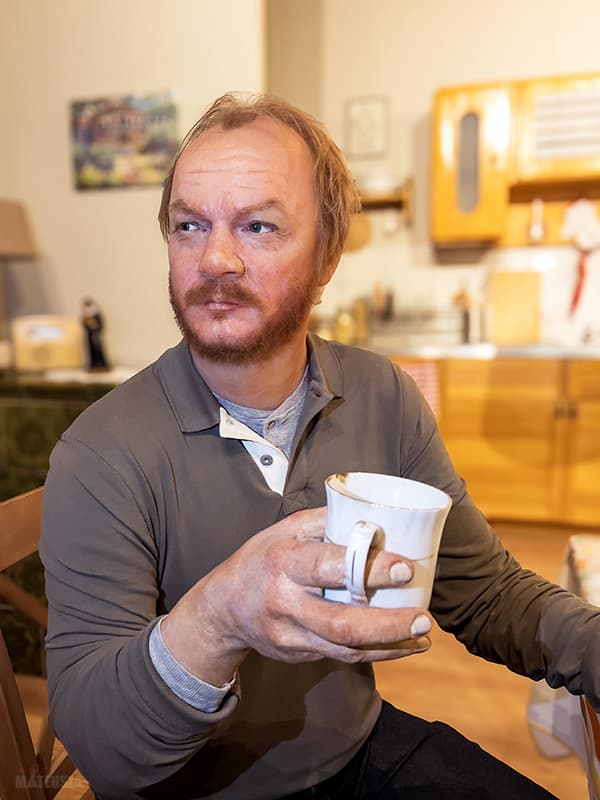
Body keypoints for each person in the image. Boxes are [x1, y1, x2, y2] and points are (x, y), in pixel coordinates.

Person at [40, 93, 599, 800]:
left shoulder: (380, 393)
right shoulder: (102, 453)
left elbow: (485, 592)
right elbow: (103, 747)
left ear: (328, 256)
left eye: (258, 225)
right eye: (189, 225)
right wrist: (221, 615)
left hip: (358, 749)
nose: (215, 258)